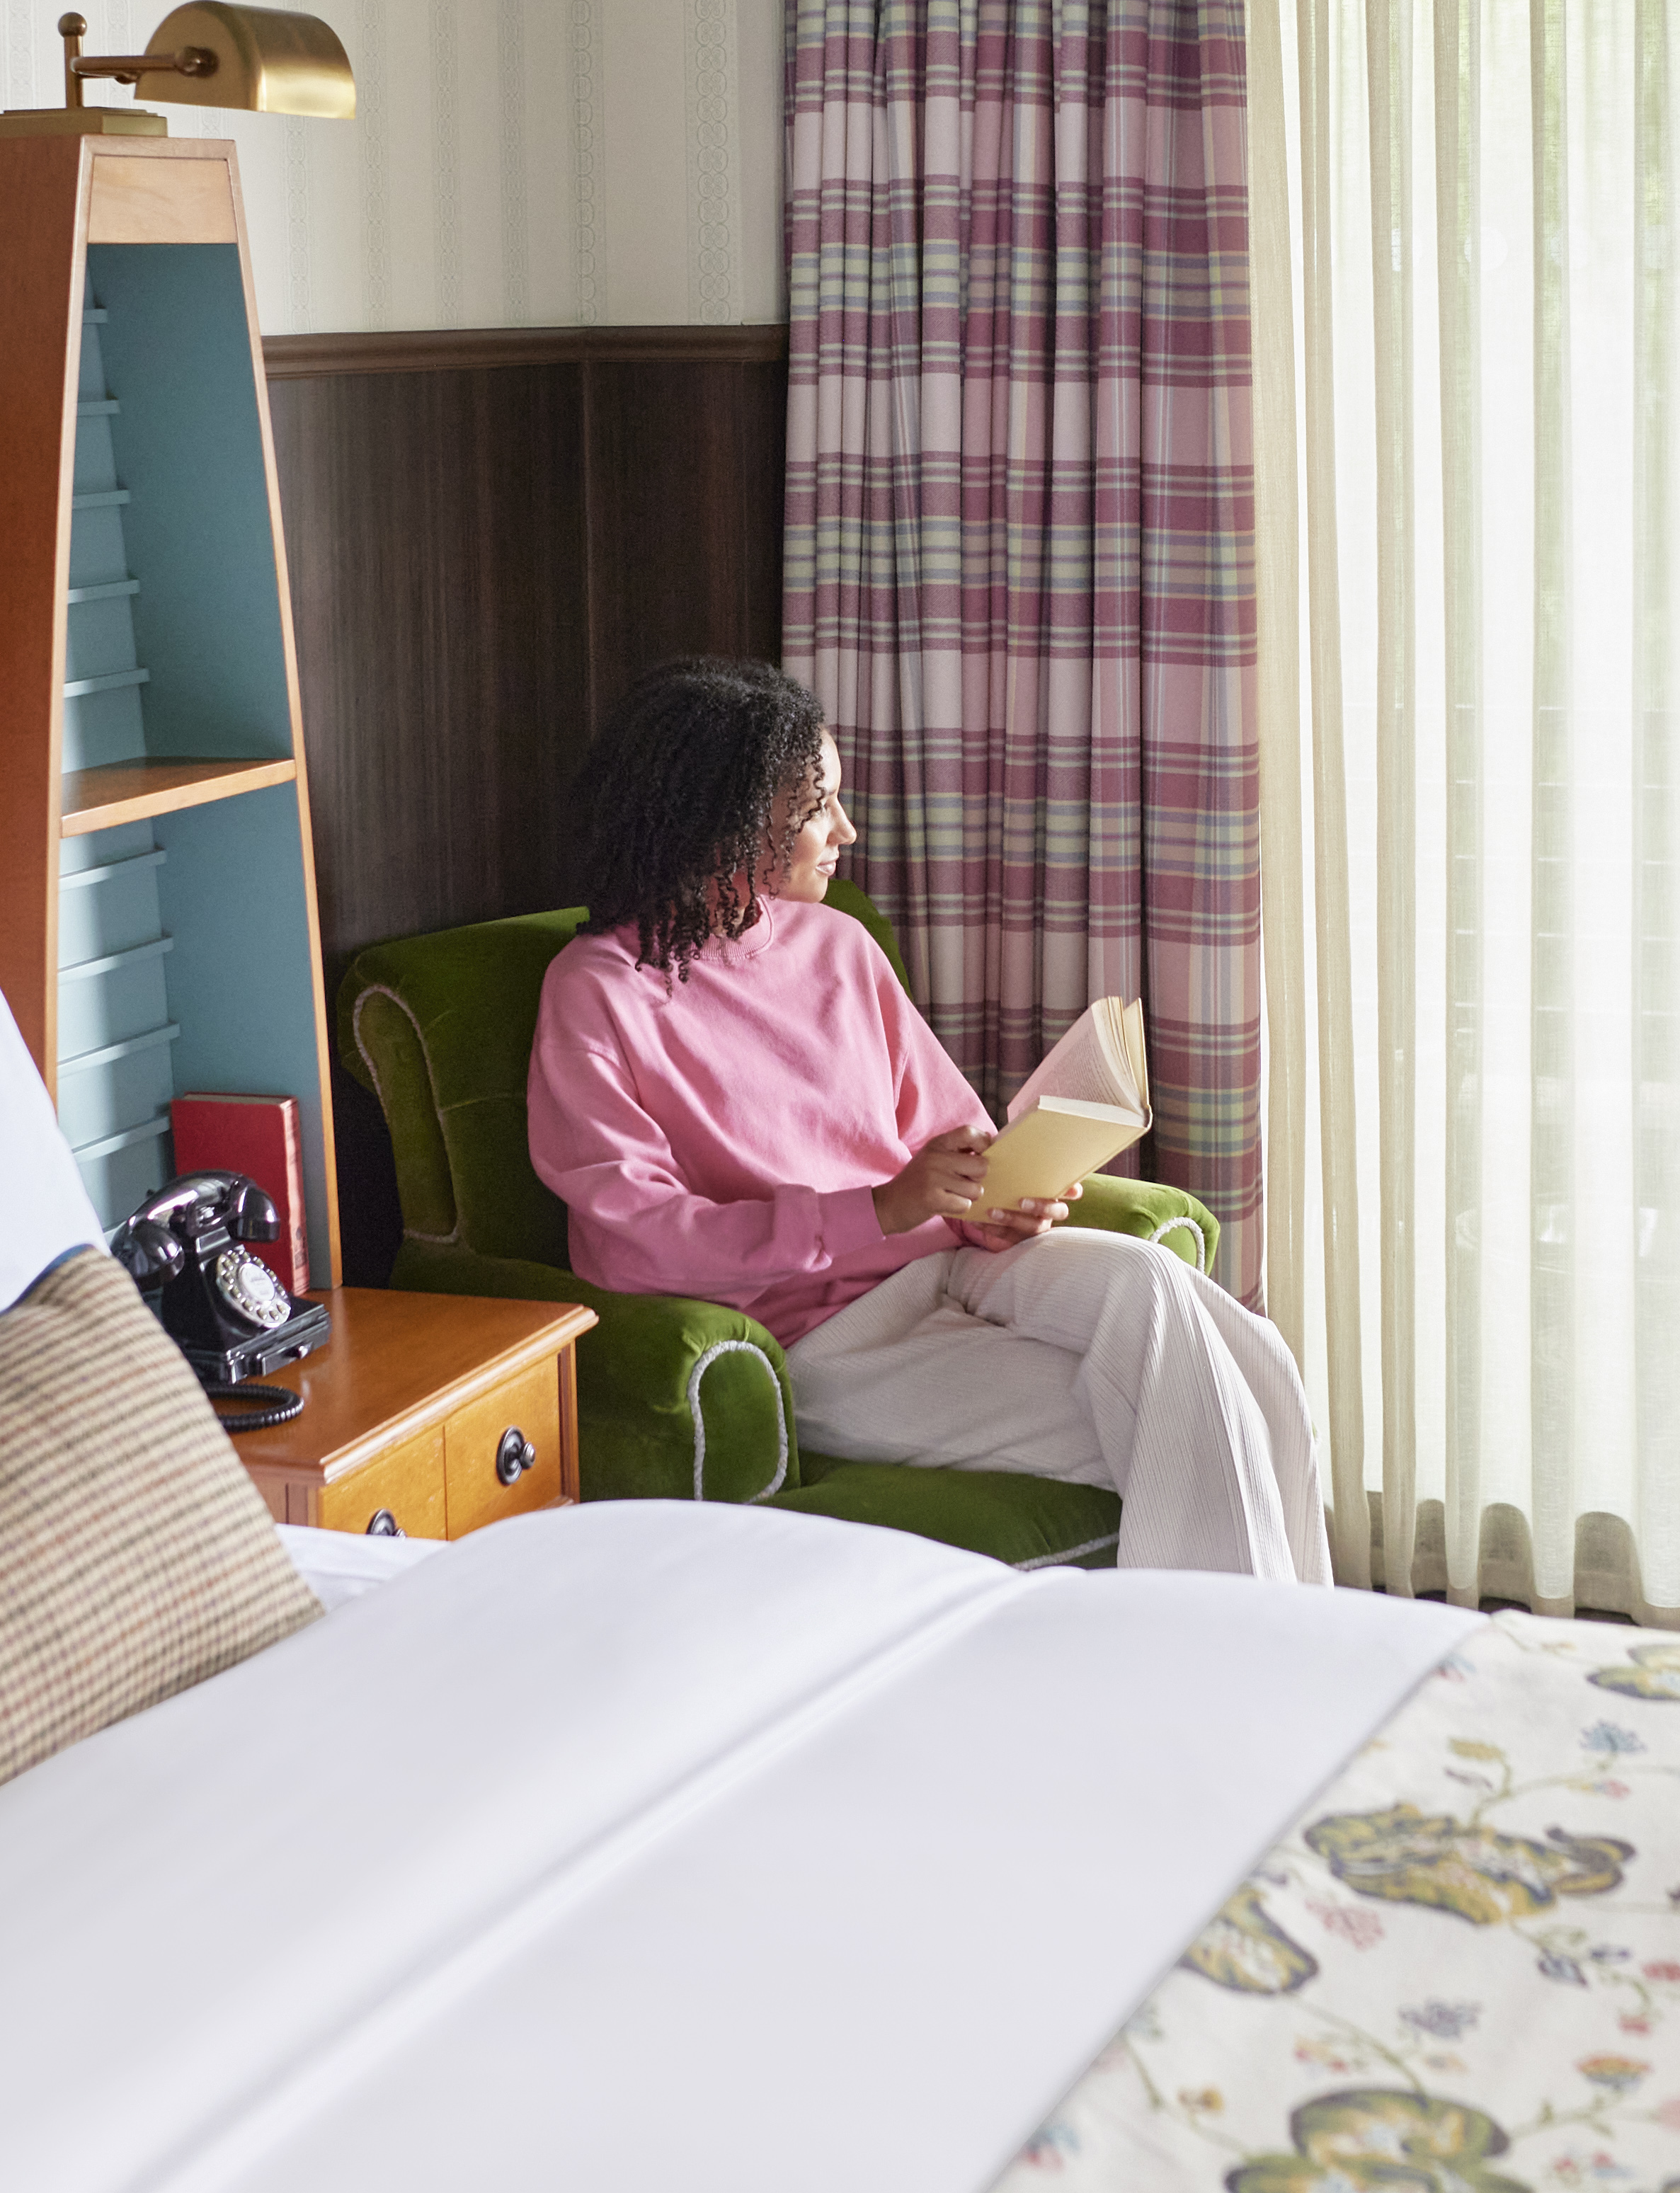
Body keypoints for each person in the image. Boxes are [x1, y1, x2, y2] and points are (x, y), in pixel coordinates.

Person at [522, 657, 1322, 1579]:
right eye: (818, 807)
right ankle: (1257, 1652)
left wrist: (997, 1197)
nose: (845, 831)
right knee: (1197, 1416)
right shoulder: (598, 995)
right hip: (822, 1340)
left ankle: (1289, 1641)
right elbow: (637, 1243)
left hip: (953, 1266)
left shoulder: (839, 944)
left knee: (1227, 1343)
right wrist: (876, 1211)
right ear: (725, 821)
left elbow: (947, 1133)